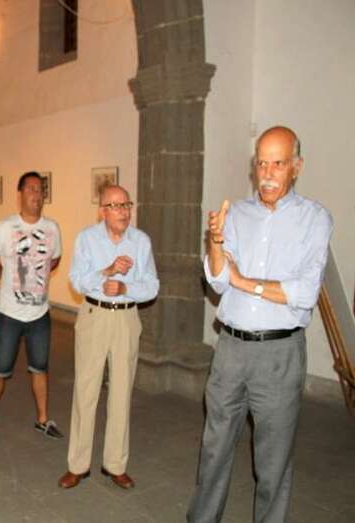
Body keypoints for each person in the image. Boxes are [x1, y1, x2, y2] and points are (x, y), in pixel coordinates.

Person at [187, 126, 333, 522]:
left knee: (273, 462)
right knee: (214, 450)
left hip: (279, 355)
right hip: (230, 351)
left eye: (278, 164)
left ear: (297, 166)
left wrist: (244, 282)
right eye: (262, 164)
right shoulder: (237, 214)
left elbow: (304, 292)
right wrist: (216, 242)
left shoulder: (315, 219)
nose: (267, 174)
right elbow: (218, 281)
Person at [59, 184, 159, 490]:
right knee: (86, 390)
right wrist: (107, 272)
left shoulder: (141, 241)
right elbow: (76, 281)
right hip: (95, 316)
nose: (123, 212)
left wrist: (126, 287)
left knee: (121, 391)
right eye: (116, 206)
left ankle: (115, 464)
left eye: (126, 205)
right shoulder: (87, 239)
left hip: (126, 318)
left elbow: (152, 286)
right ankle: (78, 465)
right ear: (102, 211)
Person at [0, 172, 64, 442]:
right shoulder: (5, 227)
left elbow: (55, 259)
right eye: (31, 189)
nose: (37, 194)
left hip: (40, 314)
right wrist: (8, 277)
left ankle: (42, 420)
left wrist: (37, 277)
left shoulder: (52, 228)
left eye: (40, 190)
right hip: (9, 314)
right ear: (20, 194)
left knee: (40, 367)